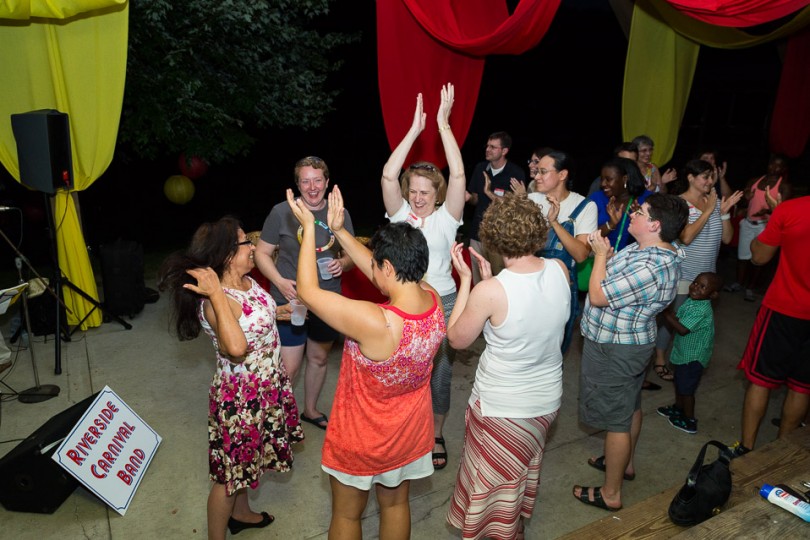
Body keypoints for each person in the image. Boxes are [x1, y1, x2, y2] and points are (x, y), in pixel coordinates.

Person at [288, 186, 446, 540]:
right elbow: (383, 275)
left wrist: (310, 229)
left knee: (347, 516)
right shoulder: (432, 299)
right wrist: (340, 231)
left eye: (377, 263)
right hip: (408, 432)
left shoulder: (378, 322)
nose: (372, 268)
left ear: (388, 267)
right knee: (395, 505)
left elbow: (308, 293)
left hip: (362, 435)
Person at [157, 217, 304, 540]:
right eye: (245, 242)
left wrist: (282, 311)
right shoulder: (216, 303)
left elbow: (256, 317)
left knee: (247, 464)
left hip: (266, 388)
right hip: (241, 400)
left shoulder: (247, 282)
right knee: (229, 477)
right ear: (226, 255)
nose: (253, 246)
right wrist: (216, 295)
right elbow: (236, 348)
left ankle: (241, 514)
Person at [445, 193, 570, 540]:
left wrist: (468, 282)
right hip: (545, 402)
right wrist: (491, 282)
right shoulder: (559, 270)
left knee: (493, 490)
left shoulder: (491, 291)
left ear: (493, 238)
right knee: (516, 477)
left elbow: (456, 339)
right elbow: (529, 311)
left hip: (503, 409)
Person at [574, 194, 688, 512]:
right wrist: (607, 257)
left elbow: (598, 295)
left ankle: (611, 493)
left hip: (617, 348)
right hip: (624, 344)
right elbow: (615, 279)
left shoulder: (652, 265)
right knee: (629, 406)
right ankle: (624, 464)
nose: (633, 214)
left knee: (616, 420)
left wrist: (600, 256)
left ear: (655, 225)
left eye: (641, 212)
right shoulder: (645, 249)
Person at [381, 84, 465, 470]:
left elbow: (459, 173)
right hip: (405, 304)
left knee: (440, 374)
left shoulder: (448, 218)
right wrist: (414, 131)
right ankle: (405, 426)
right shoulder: (400, 217)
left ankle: (436, 433)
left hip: (442, 303)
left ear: (438, 193)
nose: (417, 197)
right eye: (413, 191)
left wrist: (443, 125)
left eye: (425, 192)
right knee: (402, 369)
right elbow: (388, 175)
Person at [254, 156, 355, 430]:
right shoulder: (281, 211)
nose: (312, 187)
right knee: (290, 366)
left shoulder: (339, 212)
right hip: (291, 300)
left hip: (327, 300)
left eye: (317, 180)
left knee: (319, 358)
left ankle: (310, 410)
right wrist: (279, 281)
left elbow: (351, 255)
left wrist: (343, 263)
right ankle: (277, 419)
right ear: (297, 185)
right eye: (305, 181)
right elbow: (261, 253)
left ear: (327, 182)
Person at [730, 195, 810, 457]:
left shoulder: (791, 209)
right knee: (801, 385)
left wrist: (777, 220)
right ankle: (781, 452)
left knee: (761, 381)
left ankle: (746, 449)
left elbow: (759, 257)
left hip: (784, 309)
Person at [652, 160, 743, 381]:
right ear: (691, 178)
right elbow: (686, 237)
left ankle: (684, 359)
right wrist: (709, 210)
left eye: (712, 176)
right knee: (673, 319)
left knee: (693, 322)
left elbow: (727, 238)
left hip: (706, 277)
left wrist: (723, 213)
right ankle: (660, 359)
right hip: (684, 274)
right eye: (705, 176)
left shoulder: (714, 202)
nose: (710, 181)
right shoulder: (679, 203)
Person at [527, 149, 597, 353]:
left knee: (553, 349)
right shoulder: (532, 200)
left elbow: (581, 254)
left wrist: (555, 223)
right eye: (537, 171)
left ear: (562, 175)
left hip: (562, 288)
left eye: (543, 172)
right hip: (529, 283)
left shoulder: (584, 206)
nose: (537, 176)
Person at [657, 272, 724, 434]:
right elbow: (679, 318)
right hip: (684, 354)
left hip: (693, 358)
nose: (695, 287)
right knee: (680, 383)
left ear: (713, 294)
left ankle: (689, 420)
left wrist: (666, 313)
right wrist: (670, 313)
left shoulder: (701, 309)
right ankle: (678, 408)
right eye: (695, 283)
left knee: (687, 390)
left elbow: (682, 329)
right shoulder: (693, 301)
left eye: (702, 286)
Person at [724, 154, 792, 302]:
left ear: (783, 169)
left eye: (779, 166)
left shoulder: (784, 186)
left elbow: (784, 210)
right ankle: (739, 283)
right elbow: (744, 202)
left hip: (765, 226)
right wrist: (745, 197)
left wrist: (767, 211)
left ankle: (750, 288)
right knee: (742, 257)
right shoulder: (755, 180)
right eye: (772, 164)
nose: (774, 168)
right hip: (748, 223)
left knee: (758, 259)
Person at [465, 130, 526, 282]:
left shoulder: (515, 173)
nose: (487, 149)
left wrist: (488, 192)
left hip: (500, 237)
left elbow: (514, 207)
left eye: (493, 147)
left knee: (500, 281)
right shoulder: (480, 168)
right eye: (487, 146)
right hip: (477, 234)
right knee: (478, 281)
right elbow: (476, 200)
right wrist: (469, 197)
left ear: (504, 151)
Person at [589, 157, 651, 253]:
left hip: (635, 258)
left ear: (625, 179)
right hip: (600, 257)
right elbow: (586, 238)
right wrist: (610, 224)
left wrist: (639, 220)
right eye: (602, 179)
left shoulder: (647, 200)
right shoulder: (596, 199)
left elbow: (657, 237)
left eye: (608, 179)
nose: (603, 184)